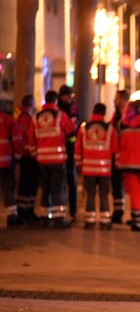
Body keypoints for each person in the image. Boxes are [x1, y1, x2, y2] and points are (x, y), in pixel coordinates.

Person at [27, 90, 76, 229]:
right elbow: (71, 129)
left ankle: (44, 217)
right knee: (58, 188)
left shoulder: (36, 117)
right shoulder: (60, 115)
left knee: (46, 188)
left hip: (42, 159)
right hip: (58, 159)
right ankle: (58, 218)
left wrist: (35, 154)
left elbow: (31, 138)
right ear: (55, 101)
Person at [74, 103, 118, 230]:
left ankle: (90, 221)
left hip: (88, 169)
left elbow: (78, 149)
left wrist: (78, 165)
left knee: (90, 195)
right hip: (104, 170)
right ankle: (105, 222)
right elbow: (115, 149)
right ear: (104, 113)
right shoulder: (110, 129)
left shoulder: (84, 128)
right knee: (104, 195)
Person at [117, 99, 140, 232]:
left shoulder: (122, 124)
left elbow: (118, 144)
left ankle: (138, 223)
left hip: (127, 164)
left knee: (135, 194)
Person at [15, 94, 41, 226]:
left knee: (29, 185)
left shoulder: (21, 117)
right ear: (31, 104)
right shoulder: (25, 119)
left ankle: (28, 211)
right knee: (27, 185)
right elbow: (27, 137)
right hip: (28, 156)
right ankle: (24, 212)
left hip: (26, 155)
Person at [57, 85, 80, 223]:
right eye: (67, 95)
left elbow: (75, 124)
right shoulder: (58, 109)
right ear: (61, 96)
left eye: (71, 95)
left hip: (70, 147)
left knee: (72, 180)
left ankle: (73, 211)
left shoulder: (73, 107)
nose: (70, 97)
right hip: (60, 147)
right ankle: (60, 210)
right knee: (60, 180)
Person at [110, 89, 130, 224]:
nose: (114, 101)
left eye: (116, 99)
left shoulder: (128, 115)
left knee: (127, 186)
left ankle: (121, 212)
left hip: (125, 154)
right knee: (117, 184)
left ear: (123, 100)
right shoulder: (117, 115)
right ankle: (118, 211)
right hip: (117, 153)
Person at [0, 106, 22, 228]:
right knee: (8, 187)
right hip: (5, 160)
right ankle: (11, 216)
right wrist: (18, 157)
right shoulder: (9, 120)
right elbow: (17, 140)